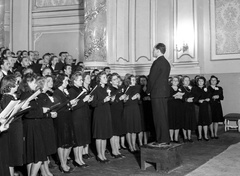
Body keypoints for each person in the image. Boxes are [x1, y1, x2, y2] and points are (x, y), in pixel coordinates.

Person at [146, 43, 171, 145]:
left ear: (158, 50)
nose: (153, 52)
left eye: (154, 50)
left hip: (157, 93)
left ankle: (162, 139)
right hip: (164, 93)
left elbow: (152, 79)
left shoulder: (157, 62)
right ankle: (165, 138)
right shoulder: (166, 62)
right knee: (163, 116)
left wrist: (147, 90)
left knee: (158, 117)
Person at [68, 72, 92, 168]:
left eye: (82, 80)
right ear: (74, 81)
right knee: (77, 139)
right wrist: (84, 100)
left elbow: (83, 103)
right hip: (76, 117)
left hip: (83, 115)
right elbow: (73, 106)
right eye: (80, 80)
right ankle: (77, 159)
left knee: (82, 138)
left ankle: (80, 158)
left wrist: (88, 101)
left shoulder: (81, 89)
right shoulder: (72, 90)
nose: (82, 81)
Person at [91, 71, 113, 163]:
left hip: (106, 112)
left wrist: (110, 98)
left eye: (106, 77)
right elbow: (93, 103)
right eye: (104, 77)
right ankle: (99, 155)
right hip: (99, 113)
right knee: (99, 135)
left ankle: (103, 154)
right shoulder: (96, 89)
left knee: (104, 135)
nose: (106, 79)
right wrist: (104, 100)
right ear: (99, 79)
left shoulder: (107, 88)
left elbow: (109, 101)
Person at [167, 76, 184, 143]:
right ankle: (171, 138)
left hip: (178, 107)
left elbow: (183, 98)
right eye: (174, 80)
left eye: (177, 81)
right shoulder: (168, 89)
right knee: (171, 122)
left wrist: (181, 97)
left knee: (177, 121)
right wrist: (174, 97)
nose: (175, 82)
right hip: (171, 107)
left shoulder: (180, 89)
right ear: (171, 81)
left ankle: (176, 138)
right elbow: (166, 98)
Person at [195, 76, 212, 141]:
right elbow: (194, 97)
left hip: (205, 106)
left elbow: (209, 96)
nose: (200, 82)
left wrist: (208, 99)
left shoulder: (207, 89)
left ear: (204, 82)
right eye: (199, 81)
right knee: (199, 122)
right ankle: (199, 136)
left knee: (205, 122)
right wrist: (198, 100)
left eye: (202, 81)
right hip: (198, 107)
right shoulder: (195, 89)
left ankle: (205, 135)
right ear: (197, 82)